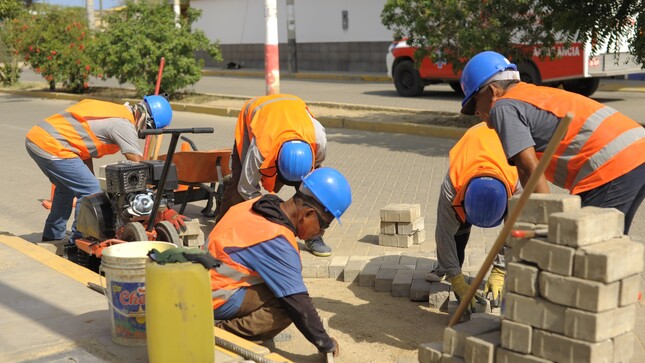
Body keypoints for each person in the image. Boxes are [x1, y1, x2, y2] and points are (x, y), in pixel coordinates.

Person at [460, 50, 645, 235]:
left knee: (586, 246)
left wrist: (546, 220)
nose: (477, 113)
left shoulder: (502, 106)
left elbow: (527, 168)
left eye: (475, 103)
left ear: (492, 91)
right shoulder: (530, 94)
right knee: (610, 247)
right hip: (636, 150)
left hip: (612, 166)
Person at [205, 167, 351, 357]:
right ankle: (222, 334)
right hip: (215, 298)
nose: (321, 233)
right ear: (307, 214)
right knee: (286, 306)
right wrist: (324, 342)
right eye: (323, 225)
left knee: (280, 287)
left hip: (203, 284)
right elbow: (298, 303)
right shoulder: (276, 239)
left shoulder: (257, 204)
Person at [25, 95, 173, 255]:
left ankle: (52, 236)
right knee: (91, 190)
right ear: (145, 118)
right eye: (148, 129)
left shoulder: (116, 112)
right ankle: (77, 244)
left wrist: (89, 179)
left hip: (38, 139)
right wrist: (155, 190)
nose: (144, 134)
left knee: (66, 188)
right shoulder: (124, 124)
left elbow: (82, 148)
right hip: (52, 145)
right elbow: (137, 162)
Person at [216, 93, 332, 256]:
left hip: (291, 115)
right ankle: (221, 230)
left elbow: (316, 175)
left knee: (312, 192)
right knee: (238, 186)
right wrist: (269, 217)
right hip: (255, 119)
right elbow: (247, 188)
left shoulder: (318, 138)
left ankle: (314, 236)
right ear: (275, 162)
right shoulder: (260, 150)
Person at [425, 122, 520, 310]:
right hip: (472, 148)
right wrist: (457, 281)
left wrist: (500, 269)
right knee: (455, 226)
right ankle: (448, 268)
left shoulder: (518, 186)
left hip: (504, 147)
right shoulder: (452, 186)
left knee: (516, 226)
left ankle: (454, 267)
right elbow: (443, 233)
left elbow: (515, 231)